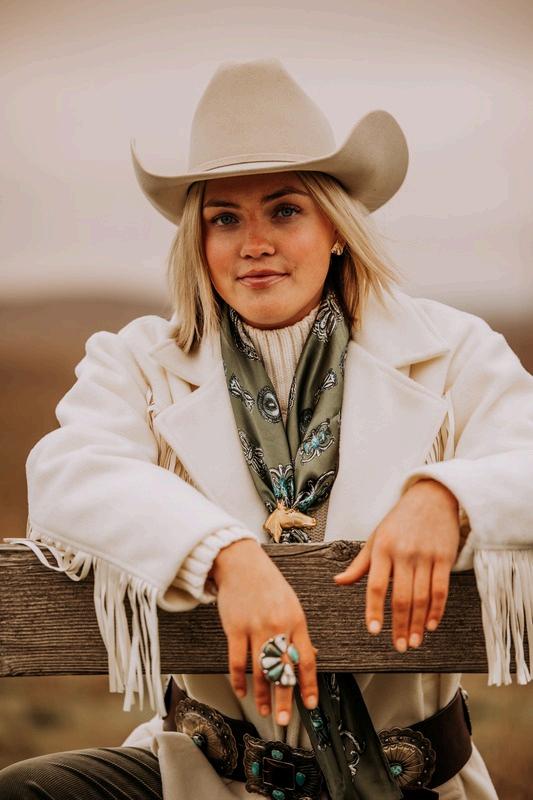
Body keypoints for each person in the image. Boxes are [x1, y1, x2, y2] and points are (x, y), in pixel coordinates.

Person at [2, 58, 532, 800]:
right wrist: (225, 556)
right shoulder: (139, 362)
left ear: (337, 229)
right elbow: (69, 474)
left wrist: (446, 497)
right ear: (199, 241)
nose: (253, 242)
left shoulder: (450, 353)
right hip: (201, 775)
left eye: (284, 211)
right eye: (224, 218)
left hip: (406, 784)